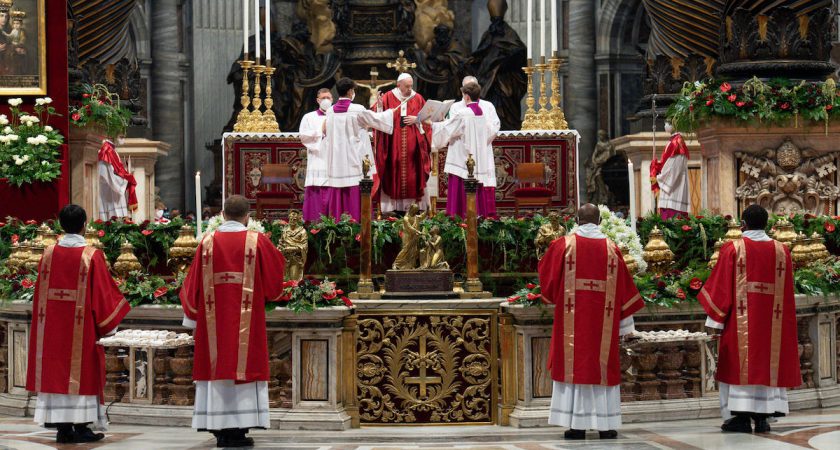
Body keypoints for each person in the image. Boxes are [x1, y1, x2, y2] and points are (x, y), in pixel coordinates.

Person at [179, 195, 286, 448]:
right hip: (247, 326)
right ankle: (237, 430)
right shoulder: (256, 241)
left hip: (212, 326)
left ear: (223, 215)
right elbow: (276, 278)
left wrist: (192, 315)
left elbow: (192, 285)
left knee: (217, 367)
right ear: (247, 217)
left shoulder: (206, 243)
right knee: (243, 367)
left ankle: (219, 428)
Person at [27, 204, 131, 444]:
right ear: (85, 225)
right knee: (82, 371)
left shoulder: (48, 253)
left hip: (52, 327)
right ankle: (82, 427)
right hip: (81, 328)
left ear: (60, 225)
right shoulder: (91, 255)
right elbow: (104, 294)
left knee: (56, 372)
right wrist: (109, 325)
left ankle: (63, 428)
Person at [538, 204, 644, 439]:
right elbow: (625, 291)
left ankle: (575, 426)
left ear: (577, 220)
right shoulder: (612, 249)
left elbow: (546, 276)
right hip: (602, 324)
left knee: (574, 366)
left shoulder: (563, 245)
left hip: (571, 320)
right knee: (600, 367)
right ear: (599, 221)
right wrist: (627, 327)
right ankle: (605, 426)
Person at [698, 204, 800, 433]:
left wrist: (714, 323)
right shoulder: (782, 250)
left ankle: (740, 418)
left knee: (739, 363)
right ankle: (763, 417)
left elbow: (721, 289)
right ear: (767, 224)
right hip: (772, 322)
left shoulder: (733, 249)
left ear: (742, 224)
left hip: (739, 323)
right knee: (767, 363)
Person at [319, 77, 394, 221]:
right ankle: (359, 223)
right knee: (356, 189)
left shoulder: (330, 112)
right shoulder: (357, 109)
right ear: (350, 91)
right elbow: (377, 121)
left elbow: (326, 132)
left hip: (336, 161)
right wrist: (389, 111)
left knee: (338, 190)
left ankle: (337, 222)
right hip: (354, 159)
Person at [430, 82, 496, 218]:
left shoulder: (463, 113)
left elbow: (450, 130)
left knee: (460, 186)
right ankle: (478, 215)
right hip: (476, 158)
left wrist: (432, 124)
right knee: (476, 185)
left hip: (461, 157)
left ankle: (459, 217)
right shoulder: (482, 113)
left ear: (466, 96)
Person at [373, 73, 432, 214]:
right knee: (393, 169)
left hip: (414, 145)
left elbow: (428, 119)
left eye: (411, 85)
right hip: (393, 143)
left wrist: (417, 119)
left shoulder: (417, 98)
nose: (410, 88)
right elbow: (376, 117)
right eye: (407, 86)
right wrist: (380, 106)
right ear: (398, 85)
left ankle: (414, 207)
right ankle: (393, 208)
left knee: (414, 172)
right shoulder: (387, 96)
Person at [299, 88, 333, 222]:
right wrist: (321, 132)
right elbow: (304, 136)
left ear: (332, 99)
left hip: (333, 160)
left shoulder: (337, 115)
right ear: (318, 100)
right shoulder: (309, 117)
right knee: (316, 192)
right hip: (317, 158)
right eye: (323, 98)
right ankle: (313, 222)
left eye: (329, 98)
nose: (326, 100)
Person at [650, 122, 690, 219]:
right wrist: (656, 166)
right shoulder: (673, 140)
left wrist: (659, 178)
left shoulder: (677, 142)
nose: (665, 126)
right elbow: (667, 164)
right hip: (670, 188)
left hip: (674, 189)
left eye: (667, 123)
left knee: (673, 218)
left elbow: (674, 168)